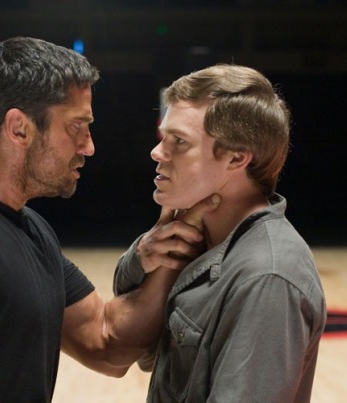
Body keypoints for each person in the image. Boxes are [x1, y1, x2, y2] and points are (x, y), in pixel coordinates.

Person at [0, 36, 221, 402]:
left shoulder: (31, 230)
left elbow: (106, 341)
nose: (89, 146)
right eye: (77, 126)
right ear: (19, 128)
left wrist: (173, 248)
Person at [113, 64, 327, 402]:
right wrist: (143, 256)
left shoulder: (267, 277)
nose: (157, 152)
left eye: (179, 141)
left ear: (236, 159)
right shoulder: (197, 240)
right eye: (163, 137)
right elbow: (138, 349)